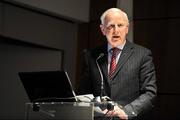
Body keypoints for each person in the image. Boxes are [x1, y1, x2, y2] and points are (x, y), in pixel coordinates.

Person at [78, 8, 157, 120]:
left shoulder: (142, 55)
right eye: (111, 26)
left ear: (127, 29)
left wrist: (126, 111)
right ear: (103, 29)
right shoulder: (92, 56)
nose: (116, 31)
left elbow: (149, 93)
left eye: (120, 25)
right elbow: (84, 93)